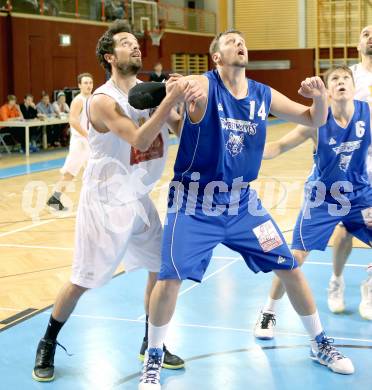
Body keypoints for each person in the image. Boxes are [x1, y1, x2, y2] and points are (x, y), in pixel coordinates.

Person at [139, 30, 354, 390]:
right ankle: (154, 358)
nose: (240, 43)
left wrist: (318, 99)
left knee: (289, 266)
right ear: (217, 57)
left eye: (243, 40)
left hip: (242, 205)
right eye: (230, 40)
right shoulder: (202, 86)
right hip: (194, 203)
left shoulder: (262, 94)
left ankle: (320, 343)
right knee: (169, 277)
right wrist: (174, 90)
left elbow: (313, 120)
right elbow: (183, 89)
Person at [32, 20, 202, 382]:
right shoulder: (102, 100)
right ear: (110, 57)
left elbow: (182, 131)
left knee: (162, 269)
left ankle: (150, 341)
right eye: (126, 43)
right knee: (83, 279)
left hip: (137, 196)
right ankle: (47, 340)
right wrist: (169, 100)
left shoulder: (149, 90)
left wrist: (187, 104)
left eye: (136, 42)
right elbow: (140, 140)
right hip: (105, 201)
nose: (136, 47)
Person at [254, 65, 372, 342]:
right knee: (294, 258)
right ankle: (269, 311)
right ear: (328, 91)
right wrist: (246, 151)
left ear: (354, 87)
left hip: (359, 195)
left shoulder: (368, 114)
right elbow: (278, 147)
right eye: (335, 79)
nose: (341, 82)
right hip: (322, 199)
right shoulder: (316, 121)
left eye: (346, 78)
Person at [329, 25, 372, 319]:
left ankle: (369, 287)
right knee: (344, 230)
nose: (371, 36)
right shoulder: (350, 76)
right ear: (358, 44)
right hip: (353, 163)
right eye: (367, 33)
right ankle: (337, 280)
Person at [47, 74, 93, 211]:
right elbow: (72, 120)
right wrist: (87, 134)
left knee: (92, 172)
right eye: (85, 83)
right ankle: (54, 199)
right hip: (79, 142)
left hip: (87, 142)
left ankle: (91, 202)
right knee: (70, 173)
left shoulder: (91, 99)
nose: (89, 85)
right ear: (79, 85)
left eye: (90, 82)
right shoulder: (78, 100)